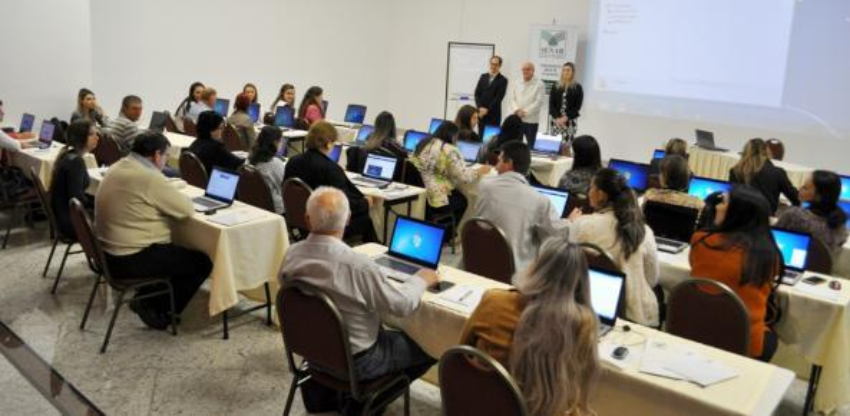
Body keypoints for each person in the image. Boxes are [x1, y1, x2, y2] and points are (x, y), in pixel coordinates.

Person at [279, 187, 438, 413]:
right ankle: (366, 403)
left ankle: (336, 397)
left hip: (310, 352)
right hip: (357, 362)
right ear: (348, 219)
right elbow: (401, 305)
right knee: (431, 345)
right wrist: (421, 279)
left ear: (307, 219)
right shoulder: (358, 266)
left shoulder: (291, 254)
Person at [460, 236, 599, 416]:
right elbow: (578, 387)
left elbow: (461, 353)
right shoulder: (584, 324)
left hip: (483, 406)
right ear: (581, 282)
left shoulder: (494, 301)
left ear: (536, 268)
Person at [95, 131, 213, 329]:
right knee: (201, 262)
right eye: (166, 155)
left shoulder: (119, 166)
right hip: (130, 258)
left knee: (176, 251)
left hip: (107, 254)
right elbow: (186, 210)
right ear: (157, 155)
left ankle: (146, 297)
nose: (166, 161)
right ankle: (157, 309)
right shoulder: (148, 177)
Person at [690, 186, 781, 361]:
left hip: (695, 329)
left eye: (723, 202)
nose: (718, 206)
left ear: (736, 213)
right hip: (744, 342)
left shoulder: (700, 241)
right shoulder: (770, 256)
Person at [567, 168, 660, 327]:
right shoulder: (644, 231)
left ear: (601, 194)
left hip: (586, 308)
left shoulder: (582, 224)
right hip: (633, 316)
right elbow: (652, 279)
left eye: (591, 187)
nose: (588, 192)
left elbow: (569, 268)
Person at [472, 141, 568, 274]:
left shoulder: (484, 186)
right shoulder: (539, 200)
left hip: (476, 263)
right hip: (516, 272)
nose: (495, 168)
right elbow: (556, 235)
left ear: (509, 163)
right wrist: (569, 222)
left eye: (499, 161)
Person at [284, 121, 377, 242]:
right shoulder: (331, 169)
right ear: (328, 144)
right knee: (366, 219)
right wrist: (365, 203)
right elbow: (345, 204)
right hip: (326, 225)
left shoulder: (292, 162)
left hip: (299, 221)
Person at [411, 121, 492, 225]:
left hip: (421, 192)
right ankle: (448, 232)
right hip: (436, 197)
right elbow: (464, 177)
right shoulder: (449, 149)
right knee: (463, 201)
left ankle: (442, 228)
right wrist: (479, 171)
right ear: (453, 135)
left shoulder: (423, 143)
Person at [776, 171, 848, 257]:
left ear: (818, 196)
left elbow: (772, 240)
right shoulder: (841, 227)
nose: (800, 188)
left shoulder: (793, 215)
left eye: (805, 188)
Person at [50, 120, 98, 238]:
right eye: (91, 134)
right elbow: (76, 198)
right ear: (80, 138)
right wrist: (97, 204)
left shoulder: (68, 155)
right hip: (72, 223)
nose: (97, 137)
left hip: (64, 217)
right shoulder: (76, 162)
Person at [729, 138, 799, 214]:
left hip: (738, 216)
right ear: (767, 152)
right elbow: (796, 198)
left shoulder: (735, 171)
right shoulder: (778, 173)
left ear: (745, 152)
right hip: (765, 218)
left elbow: (731, 198)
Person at [249, 126, 286, 214]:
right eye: (280, 141)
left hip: (255, 203)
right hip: (275, 208)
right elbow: (284, 187)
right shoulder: (275, 163)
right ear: (275, 142)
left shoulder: (250, 160)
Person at [507, 62, 545, 147]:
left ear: (533, 70)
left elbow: (538, 102)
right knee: (516, 145)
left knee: (531, 145)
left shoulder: (540, 84)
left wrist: (525, 112)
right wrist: (517, 110)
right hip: (517, 119)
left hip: (531, 121)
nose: (525, 71)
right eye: (523, 69)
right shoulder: (516, 82)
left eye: (528, 69)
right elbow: (512, 98)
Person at [549, 62, 584, 143]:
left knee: (566, 146)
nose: (565, 72)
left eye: (568, 70)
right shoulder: (555, 86)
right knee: (554, 145)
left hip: (570, 121)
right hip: (556, 121)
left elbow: (577, 107)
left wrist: (565, 118)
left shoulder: (577, 87)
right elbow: (551, 104)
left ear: (572, 72)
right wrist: (558, 118)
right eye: (564, 70)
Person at [474, 55, 509, 131]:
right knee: (480, 136)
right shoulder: (483, 77)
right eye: (492, 64)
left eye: (496, 64)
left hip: (493, 115)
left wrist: (487, 110)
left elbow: (499, 98)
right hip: (481, 114)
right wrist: (480, 108)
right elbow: (477, 94)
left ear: (500, 66)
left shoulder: (503, 80)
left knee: (491, 137)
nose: (493, 66)